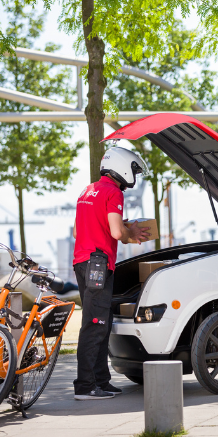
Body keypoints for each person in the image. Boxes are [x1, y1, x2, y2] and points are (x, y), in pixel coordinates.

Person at [72, 147, 150, 400]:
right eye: (134, 170)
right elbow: (117, 234)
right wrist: (132, 234)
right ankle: (85, 386)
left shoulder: (88, 190)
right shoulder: (113, 192)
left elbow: (77, 232)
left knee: (100, 324)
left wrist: (118, 225)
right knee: (94, 326)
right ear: (123, 167)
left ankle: (101, 382)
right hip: (98, 264)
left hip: (83, 262)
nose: (134, 176)